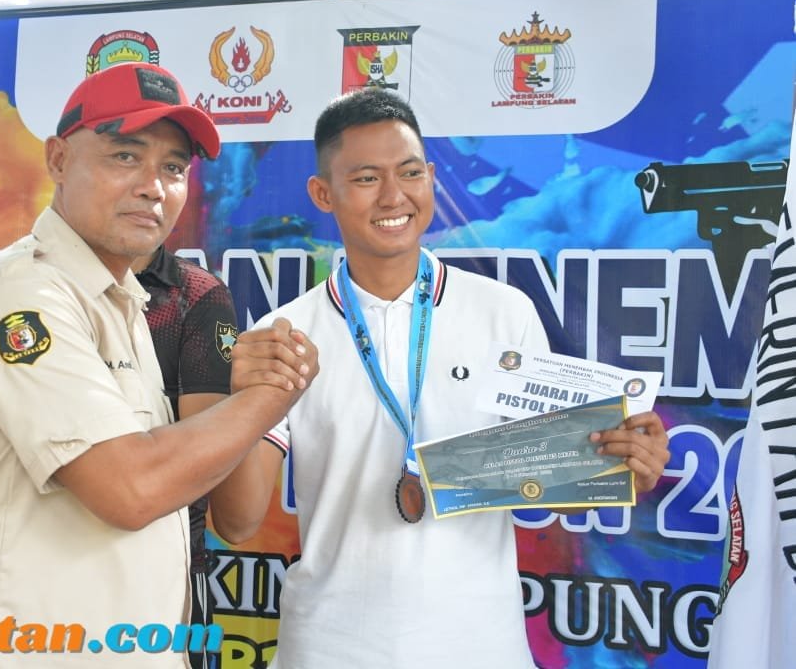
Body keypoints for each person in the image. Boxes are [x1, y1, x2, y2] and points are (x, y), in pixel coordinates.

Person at [209, 89, 672, 668]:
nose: (394, 196)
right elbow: (236, 521)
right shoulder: (288, 336)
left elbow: (562, 481)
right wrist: (247, 403)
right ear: (322, 194)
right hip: (330, 648)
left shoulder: (504, 313)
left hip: (480, 647)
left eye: (408, 173)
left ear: (430, 177)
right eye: (366, 178)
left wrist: (624, 459)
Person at [0, 62, 317, 668]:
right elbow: (130, 489)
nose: (154, 186)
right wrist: (265, 396)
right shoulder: (24, 296)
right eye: (126, 155)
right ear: (57, 160)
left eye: (174, 168)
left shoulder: (117, 300)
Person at [132, 243, 239, 669]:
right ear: (61, 171)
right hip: (41, 556)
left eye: (173, 170)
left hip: (164, 563)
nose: (150, 187)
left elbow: (201, 461)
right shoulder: (31, 287)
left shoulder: (195, 294)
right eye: (125, 168)